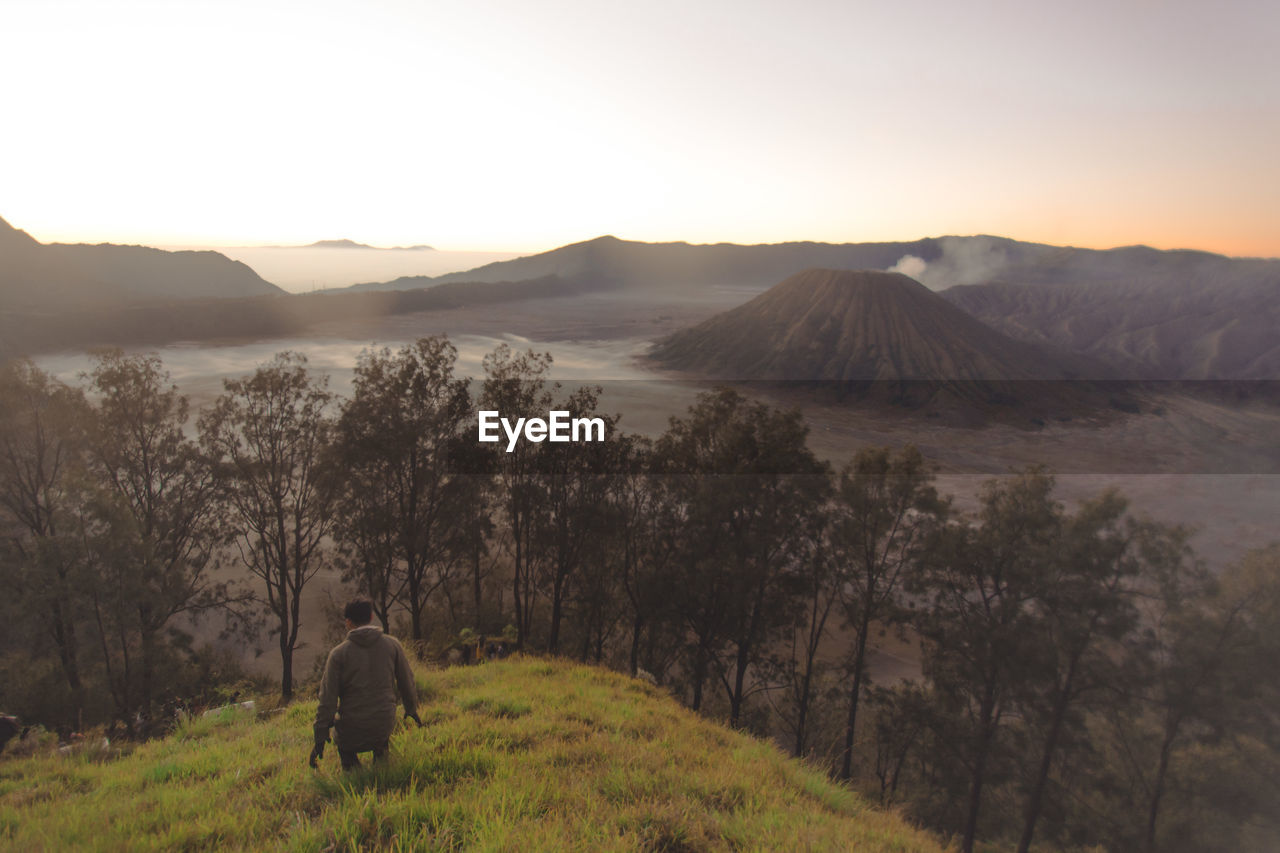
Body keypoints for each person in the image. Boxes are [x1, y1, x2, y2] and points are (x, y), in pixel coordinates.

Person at [310, 600, 422, 770]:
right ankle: (382, 770)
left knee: (345, 746)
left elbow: (328, 699)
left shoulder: (338, 654)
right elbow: (407, 681)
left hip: (351, 729)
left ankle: (354, 775)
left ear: (348, 622)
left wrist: (320, 735)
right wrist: (411, 709)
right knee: (380, 740)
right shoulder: (392, 645)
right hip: (384, 723)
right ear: (371, 617)